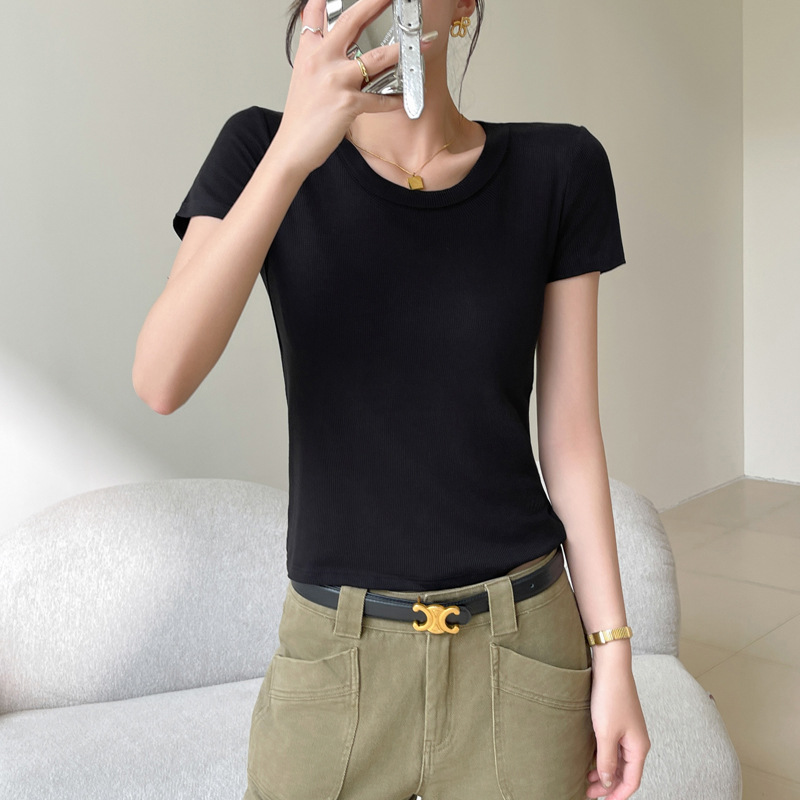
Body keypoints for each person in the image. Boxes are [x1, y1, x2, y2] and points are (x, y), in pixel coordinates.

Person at [132, 0, 651, 797]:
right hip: (334, 658)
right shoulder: (258, 148)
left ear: (465, 4)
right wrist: (291, 155)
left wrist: (612, 653)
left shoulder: (559, 168)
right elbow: (161, 379)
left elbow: (571, 435)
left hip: (521, 647)